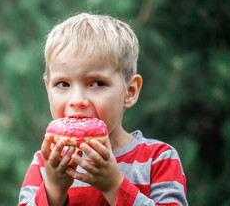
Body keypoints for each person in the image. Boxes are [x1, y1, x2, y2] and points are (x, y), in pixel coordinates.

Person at [18, 13, 188, 206]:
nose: (77, 100)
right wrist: (54, 190)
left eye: (97, 83)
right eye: (63, 84)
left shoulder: (158, 159)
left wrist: (114, 186)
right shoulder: (45, 164)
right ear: (48, 88)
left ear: (129, 91)